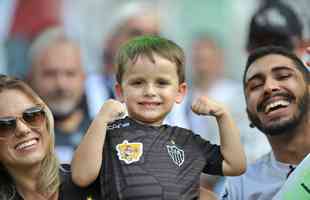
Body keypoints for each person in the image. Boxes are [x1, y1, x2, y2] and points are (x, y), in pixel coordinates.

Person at [71, 35, 246, 199]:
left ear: (180, 92)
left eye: (161, 83)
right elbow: (80, 176)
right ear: (120, 91)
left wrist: (223, 116)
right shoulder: (108, 133)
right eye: (138, 82)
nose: (149, 92)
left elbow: (235, 165)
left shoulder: (187, 141)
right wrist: (100, 120)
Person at [221, 46, 310, 200]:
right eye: (255, 86)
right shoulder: (240, 186)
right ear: (249, 115)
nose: (269, 87)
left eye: (283, 76)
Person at [0, 74, 99, 199]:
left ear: (46, 119)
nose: (23, 130)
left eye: (32, 115)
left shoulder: (94, 185)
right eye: (5, 125)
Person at [26, 27, 92, 163]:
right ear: (31, 77)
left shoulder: (105, 133)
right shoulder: (15, 136)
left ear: (84, 78)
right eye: (50, 74)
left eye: (70, 73)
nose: (61, 84)